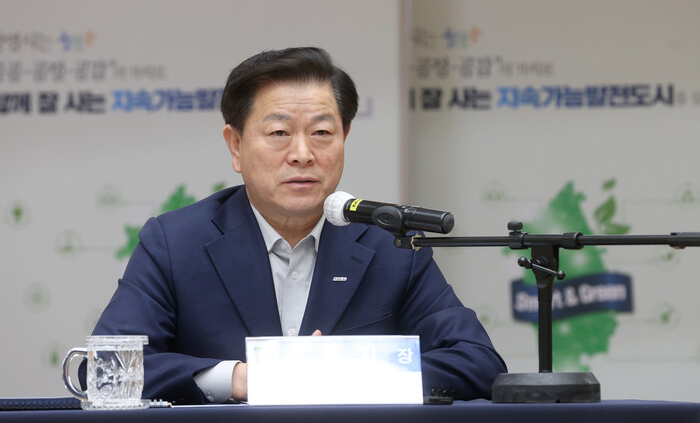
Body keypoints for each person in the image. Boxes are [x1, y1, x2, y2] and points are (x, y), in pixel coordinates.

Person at [85, 47, 507, 404]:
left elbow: (478, 363)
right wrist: (241, 379)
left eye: (321, 132)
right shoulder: (176, 243)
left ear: (344, 138)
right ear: (236, 145)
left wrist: (347, 371)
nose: (302, 154)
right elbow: (104, 370)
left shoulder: (389, 247)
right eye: (279, 133)